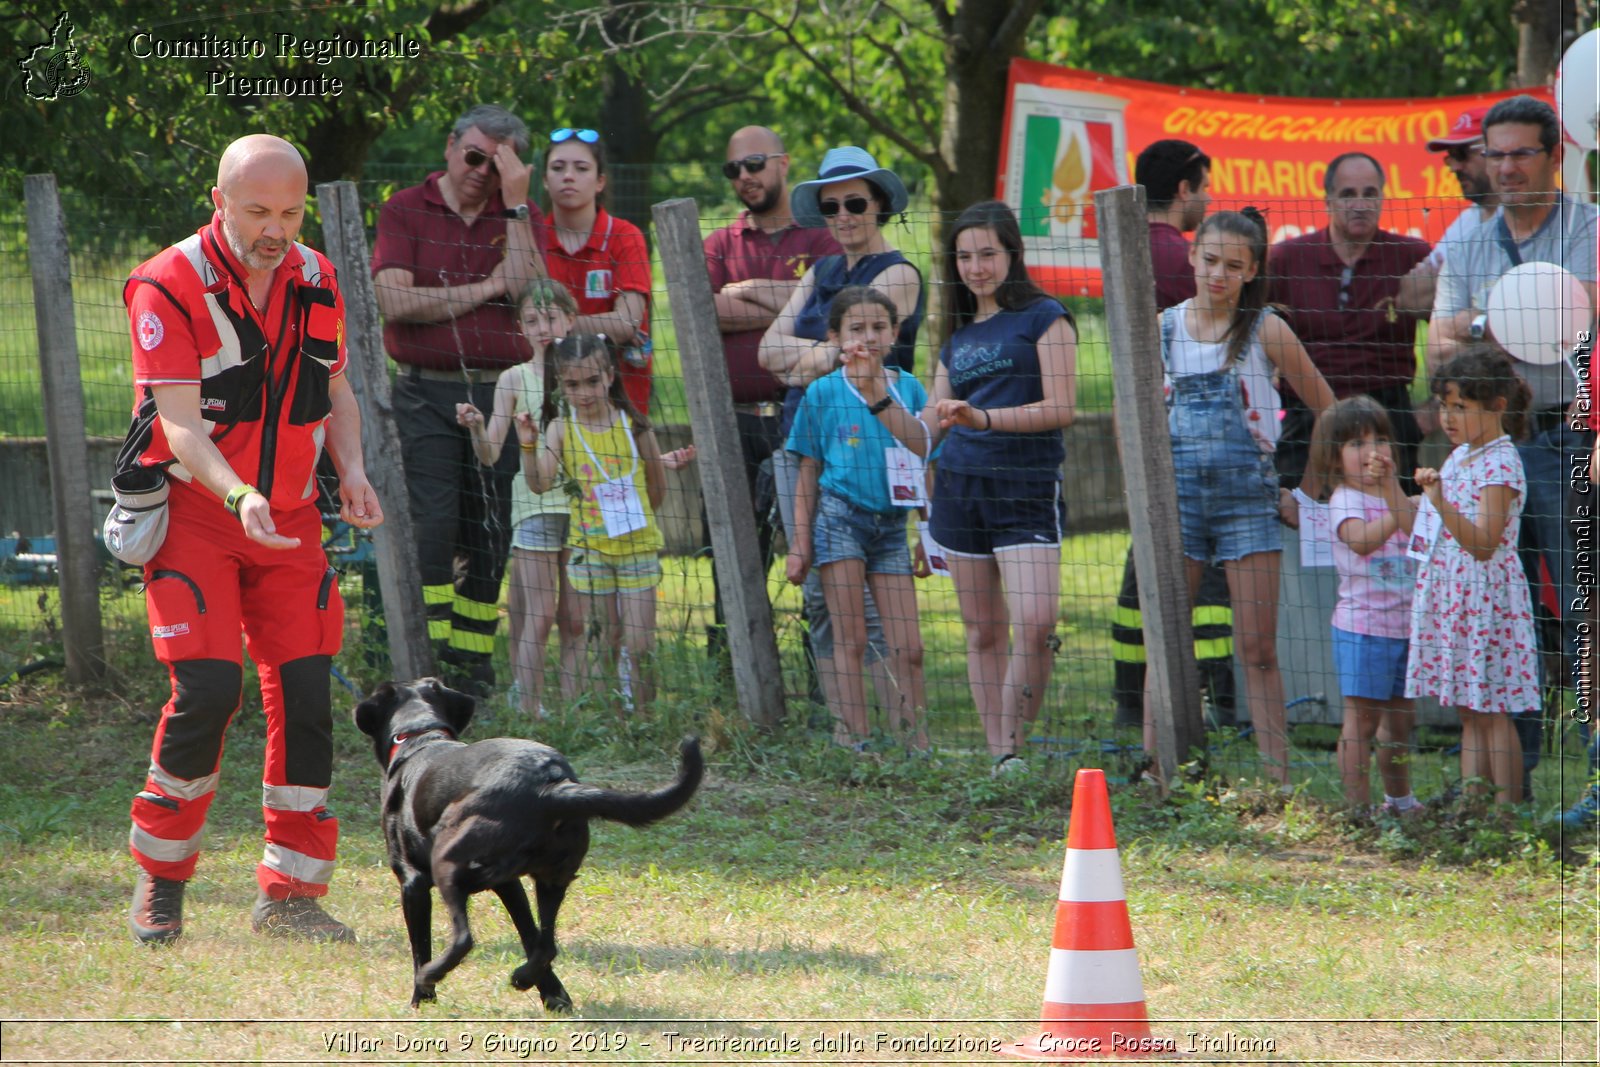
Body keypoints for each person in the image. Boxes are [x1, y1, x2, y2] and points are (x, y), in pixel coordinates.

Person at [123, 134, 383, 944]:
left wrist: (355, 469)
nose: (277, 229)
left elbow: (334, 383)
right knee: (206, 692)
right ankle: (161, 879)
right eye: (258, 210)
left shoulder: (316, 275)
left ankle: (292, 895)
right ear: (219, 199)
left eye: (291, 211)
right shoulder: (166, 282)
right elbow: (176, 422)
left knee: (306, 700)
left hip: (294, 519)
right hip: (202, 514)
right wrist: (238, 494)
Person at [1428, 95, 1600, 798]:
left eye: (1520, 152)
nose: (1503, 167)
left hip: (1571, 435)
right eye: (1492, 154)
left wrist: (1486, 314)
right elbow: (1439, 338)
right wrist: (1502, 315)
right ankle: (1507, 784)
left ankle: (1596, 775)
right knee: (1507, 608)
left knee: (1586, 606)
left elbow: (1584, 309)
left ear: (1556, 156)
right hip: (1491, 445)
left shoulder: (1589, 227)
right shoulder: (1468, 236)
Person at [876, 200, 1075, 770]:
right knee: (983, 632)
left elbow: (1062, 407)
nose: (976, 267)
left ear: (1012, 252)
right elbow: (926, 434)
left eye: (987, 253)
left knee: (1036, 625)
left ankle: (1013, 740)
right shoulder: (957, 338)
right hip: (960, 491)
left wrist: (984, 418)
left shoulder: (1046, 317)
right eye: (964, 256)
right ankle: (1002, 756)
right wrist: (877, 398)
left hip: (1027, 487)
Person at [371, 103, 546, 696]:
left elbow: (528, 290)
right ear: (450, 146)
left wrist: (518, 205)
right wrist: (488, 287)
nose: (480, 171)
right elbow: (395, 301)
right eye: (474, 156)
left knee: (490, 532)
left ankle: (471, 669)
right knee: (433, 528)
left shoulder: (517, 214)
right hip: (425, 391)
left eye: (497, 165)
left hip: (501, 390)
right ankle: (422, 663)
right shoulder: (403, 208)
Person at [1158, 208, 1336, 785]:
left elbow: (1329, 409)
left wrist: (1307, 496)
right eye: (1209, 261)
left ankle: (1277, 781)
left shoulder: (1266, 329)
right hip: (1176, 503)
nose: (1218, 275)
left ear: (1252, 269)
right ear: (1191, 256)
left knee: (1257, 647)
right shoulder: (1160, 329)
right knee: (1168, 640)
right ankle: (1160, 768)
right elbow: (1125, 419)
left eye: (1233, 266)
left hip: (1248, 504)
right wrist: (1148, 498)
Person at [759, 146, 925, 723]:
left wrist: (806, 360)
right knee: (823, 598)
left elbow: (866, 351)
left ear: (880, 205)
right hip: (806, 442)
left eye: (856, 202)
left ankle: (901, 727)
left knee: (878, 606)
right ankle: (848, 728)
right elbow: (766, 352)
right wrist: (832, 353)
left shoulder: (899, 272)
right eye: (831, 207)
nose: (844, 215)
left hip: (868, 448)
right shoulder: (822, 271)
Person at [702, 125, 843, 655]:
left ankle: (822, 678)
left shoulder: (824, 237)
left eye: (755, 164)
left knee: (811, 550)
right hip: (732, 422)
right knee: (733, 557)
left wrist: (757, 291)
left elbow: (836, 309)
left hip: (805, 418)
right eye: (733, 169)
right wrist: (797, 304)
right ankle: (731, 675)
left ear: (784, 163)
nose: (744, 176)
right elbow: (707, 311)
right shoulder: (718, 243)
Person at [1111, 139, 1236, 733]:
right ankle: (1220, 702)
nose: (1207, 198)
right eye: (1203, 186)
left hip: (1139, 429)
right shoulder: (1188, 262)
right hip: (1195, 439)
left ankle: (1129, 702)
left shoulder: (1125, 251)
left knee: (1145, 572)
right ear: (1185, 189)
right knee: (1204, 578)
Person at [785, 287, 930, 751]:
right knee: (850, 639)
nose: (868, 337)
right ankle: (854, 741)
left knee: (909, 646)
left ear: (895, 332)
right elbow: (808, 472)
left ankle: (915, 744)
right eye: (856, 329)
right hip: (839, 520)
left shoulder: (907, 387)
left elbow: (925, 460)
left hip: (891, 527)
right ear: (836, 337)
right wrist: (800, 543)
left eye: (878, 327)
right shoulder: (823, 391)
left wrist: (928, 533)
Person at [524, 334, 693, 711]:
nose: (583, 393)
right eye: (572, 384)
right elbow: (540, 483)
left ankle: (645, 719)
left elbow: (656, 487)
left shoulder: (635, 426)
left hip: (638, 548)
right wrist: (526, 447)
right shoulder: (561, 429)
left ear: (610, 377)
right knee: (603, 638)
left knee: (640, 643)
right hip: (590, 550)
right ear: (560, 385)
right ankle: (610, 718)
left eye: (591, 382)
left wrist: (635, 519)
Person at [1407, 347, 1540, 807]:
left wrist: (1440, 502)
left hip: (1487, 600)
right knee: (1470, 711)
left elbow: (1485, 543)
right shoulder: (1460, 456)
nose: (1448, 416)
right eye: (1445, 405)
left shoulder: (1500, 463)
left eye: (1461, 407)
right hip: (1456, 598)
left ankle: (1505, 817)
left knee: (1493, 712)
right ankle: (1472, 809)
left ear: (1497, 406)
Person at [454, 280, 584, 717]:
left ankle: (573, 709)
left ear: (572, 318)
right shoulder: (514, 378)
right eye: (532, 320)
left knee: (575, 619)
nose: (542, 327)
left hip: (585, 507)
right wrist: (475, 427)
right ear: (521, 328)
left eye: (551, 317)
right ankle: (526, 704)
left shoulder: (588, 373)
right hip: (534, 504)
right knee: (541, 614)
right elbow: (490, 454)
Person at [1268, 152, 1433, 492]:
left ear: (1383, 197)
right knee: (1299, 520)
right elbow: (1249, 335)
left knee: (1392, 530)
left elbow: (1454, 334)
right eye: (1348, 194)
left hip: (1387, 417)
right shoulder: (1287, 258)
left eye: (1370, 193)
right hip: (1308, 417)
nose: (1360, 204)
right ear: (1328, 199)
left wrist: (1432, 411)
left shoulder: (1412, 256)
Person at [1309, 396, 1422, 814]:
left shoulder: (1394, 492)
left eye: (1379, 440)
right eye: (1357, 444)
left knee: (1400, 723)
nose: (1372, 451)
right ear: (1335, 459)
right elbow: (1360, 540)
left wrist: (1395, 491)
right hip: (1364, 628)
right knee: (1362, 722)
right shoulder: (1345, 499)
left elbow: (1416, 531)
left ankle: (1400, 801)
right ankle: (1357, 810)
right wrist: (1398, 508)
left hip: (1405, 628)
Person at [540, 128, 654, 417]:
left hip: (621, 403)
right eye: (557, 167)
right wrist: (603, 325)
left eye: (581, 168)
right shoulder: (531, 240)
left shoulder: (625, 235)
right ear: (544, 180)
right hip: (551, 404)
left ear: (600, 181)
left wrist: (552, 327)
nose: (568, 176)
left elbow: (628, 321)